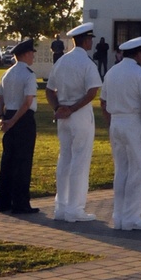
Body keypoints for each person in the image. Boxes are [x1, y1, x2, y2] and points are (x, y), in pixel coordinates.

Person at [45, 21, 102, 222]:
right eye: (90, 39)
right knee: (80, 160)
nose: (91, 43)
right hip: (79, 114)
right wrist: (72, 109)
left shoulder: (61, 62)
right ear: (85, 40)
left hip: (63, 115)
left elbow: (49, 90)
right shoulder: (87, 63)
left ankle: (61, 207)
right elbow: (92, 91)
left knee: (65, 159)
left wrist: (58, 108)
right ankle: (75, 208)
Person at [100, 36, 141, 230]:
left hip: (116, 121)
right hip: (133, 121)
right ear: (139, 53)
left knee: (121, 170)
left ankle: (119, 216)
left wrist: (111, 123)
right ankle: (132, 217)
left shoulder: (111, 72)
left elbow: (103, 102)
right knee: (137, 170)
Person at [0, 38, 40, 215]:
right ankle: (20, 202)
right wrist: (14, 121)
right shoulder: (28, 74)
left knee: (8, 160)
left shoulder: (8, 73)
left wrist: (2, 117)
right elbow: (28, 102)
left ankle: (4, 201)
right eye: (31, 54)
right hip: (23, 119)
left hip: (9, 115)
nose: (33, 57)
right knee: (23, 161)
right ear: (26, 54)